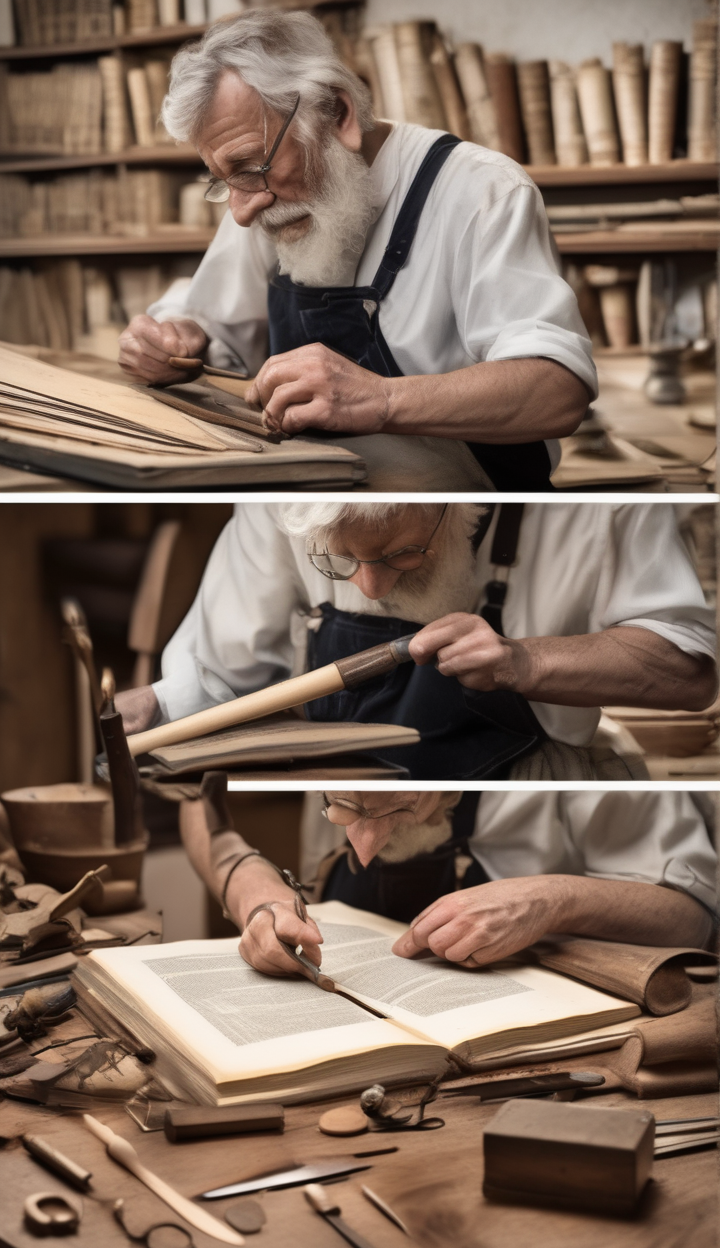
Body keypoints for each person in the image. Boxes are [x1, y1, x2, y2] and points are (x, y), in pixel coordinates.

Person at [117, 10, 595, 491]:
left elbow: (558, 390)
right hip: (314, 506)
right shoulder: (266, 195)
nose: (240, 213)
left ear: (337, 114)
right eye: (224, 179)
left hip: (470, 516)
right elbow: (215, 325)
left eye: (249, 167)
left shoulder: (483, 190)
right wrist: (174, 338)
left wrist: (382, 400)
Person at [116, 501, 717, 782]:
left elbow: (688, 670)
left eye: (403, 552)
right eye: (340, 560)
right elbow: (227, 672)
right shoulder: (285, 501)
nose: (371, 587)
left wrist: (524, 661)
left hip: (526, 795)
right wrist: (164, 707)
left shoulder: (589, 513)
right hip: (350, 804)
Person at [179, 786, 716, 979]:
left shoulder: (586, 771)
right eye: (342, 809)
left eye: (399, 810)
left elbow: (694, 918)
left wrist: (553, 899)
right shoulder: (334, 736)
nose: (361, 851)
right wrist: (257, 894)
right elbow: (192, 797)